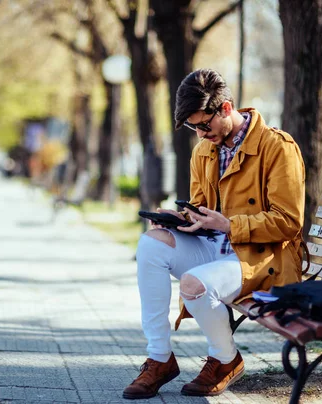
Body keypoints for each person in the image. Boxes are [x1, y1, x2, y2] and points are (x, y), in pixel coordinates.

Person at [122, 69, 306, 399]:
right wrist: (177, 219)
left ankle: (225, 360)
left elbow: (289, 222)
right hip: (218, 248)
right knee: (151, 245)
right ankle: (159, 358)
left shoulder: (277, 147)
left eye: (204, 125)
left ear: (225, 108)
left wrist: (230, 225)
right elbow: (201, 210)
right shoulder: (203, 151)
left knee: (194, 283)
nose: (201, 134)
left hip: (265, 259)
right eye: (194, 127)